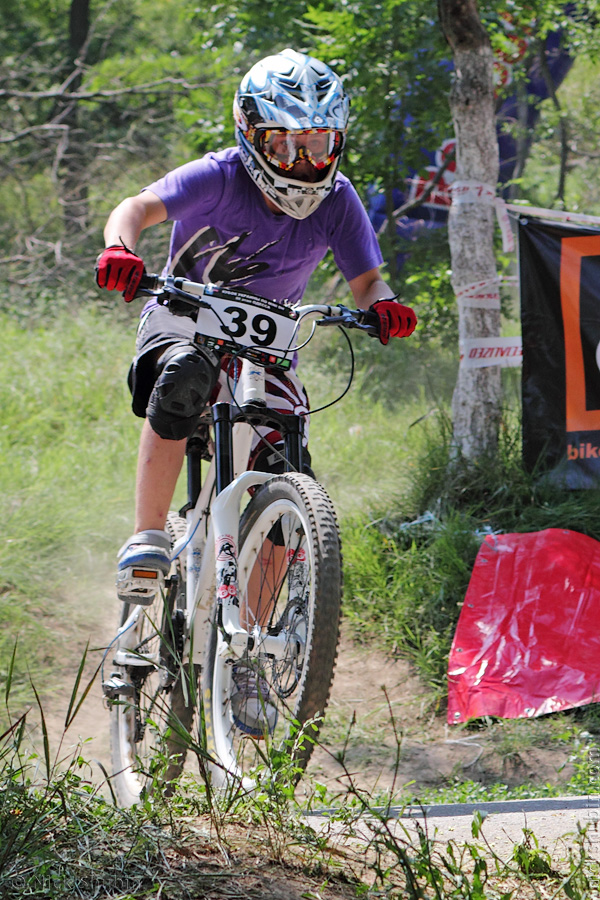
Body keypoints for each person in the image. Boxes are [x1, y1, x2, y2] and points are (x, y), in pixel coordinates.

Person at [96, 47, 416, 609]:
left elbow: (368, 281)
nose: (301, 161)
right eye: (283, 144)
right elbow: (135, 207)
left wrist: (386, 304)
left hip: (266, 350)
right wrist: (120, 248)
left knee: (287, 464)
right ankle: (147, 536)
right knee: (183, 377)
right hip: (184, 319)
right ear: (250, 135)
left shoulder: (337, 199)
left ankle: (255, 639)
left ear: (336, 142)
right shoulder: (219, 175)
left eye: (317, 144)